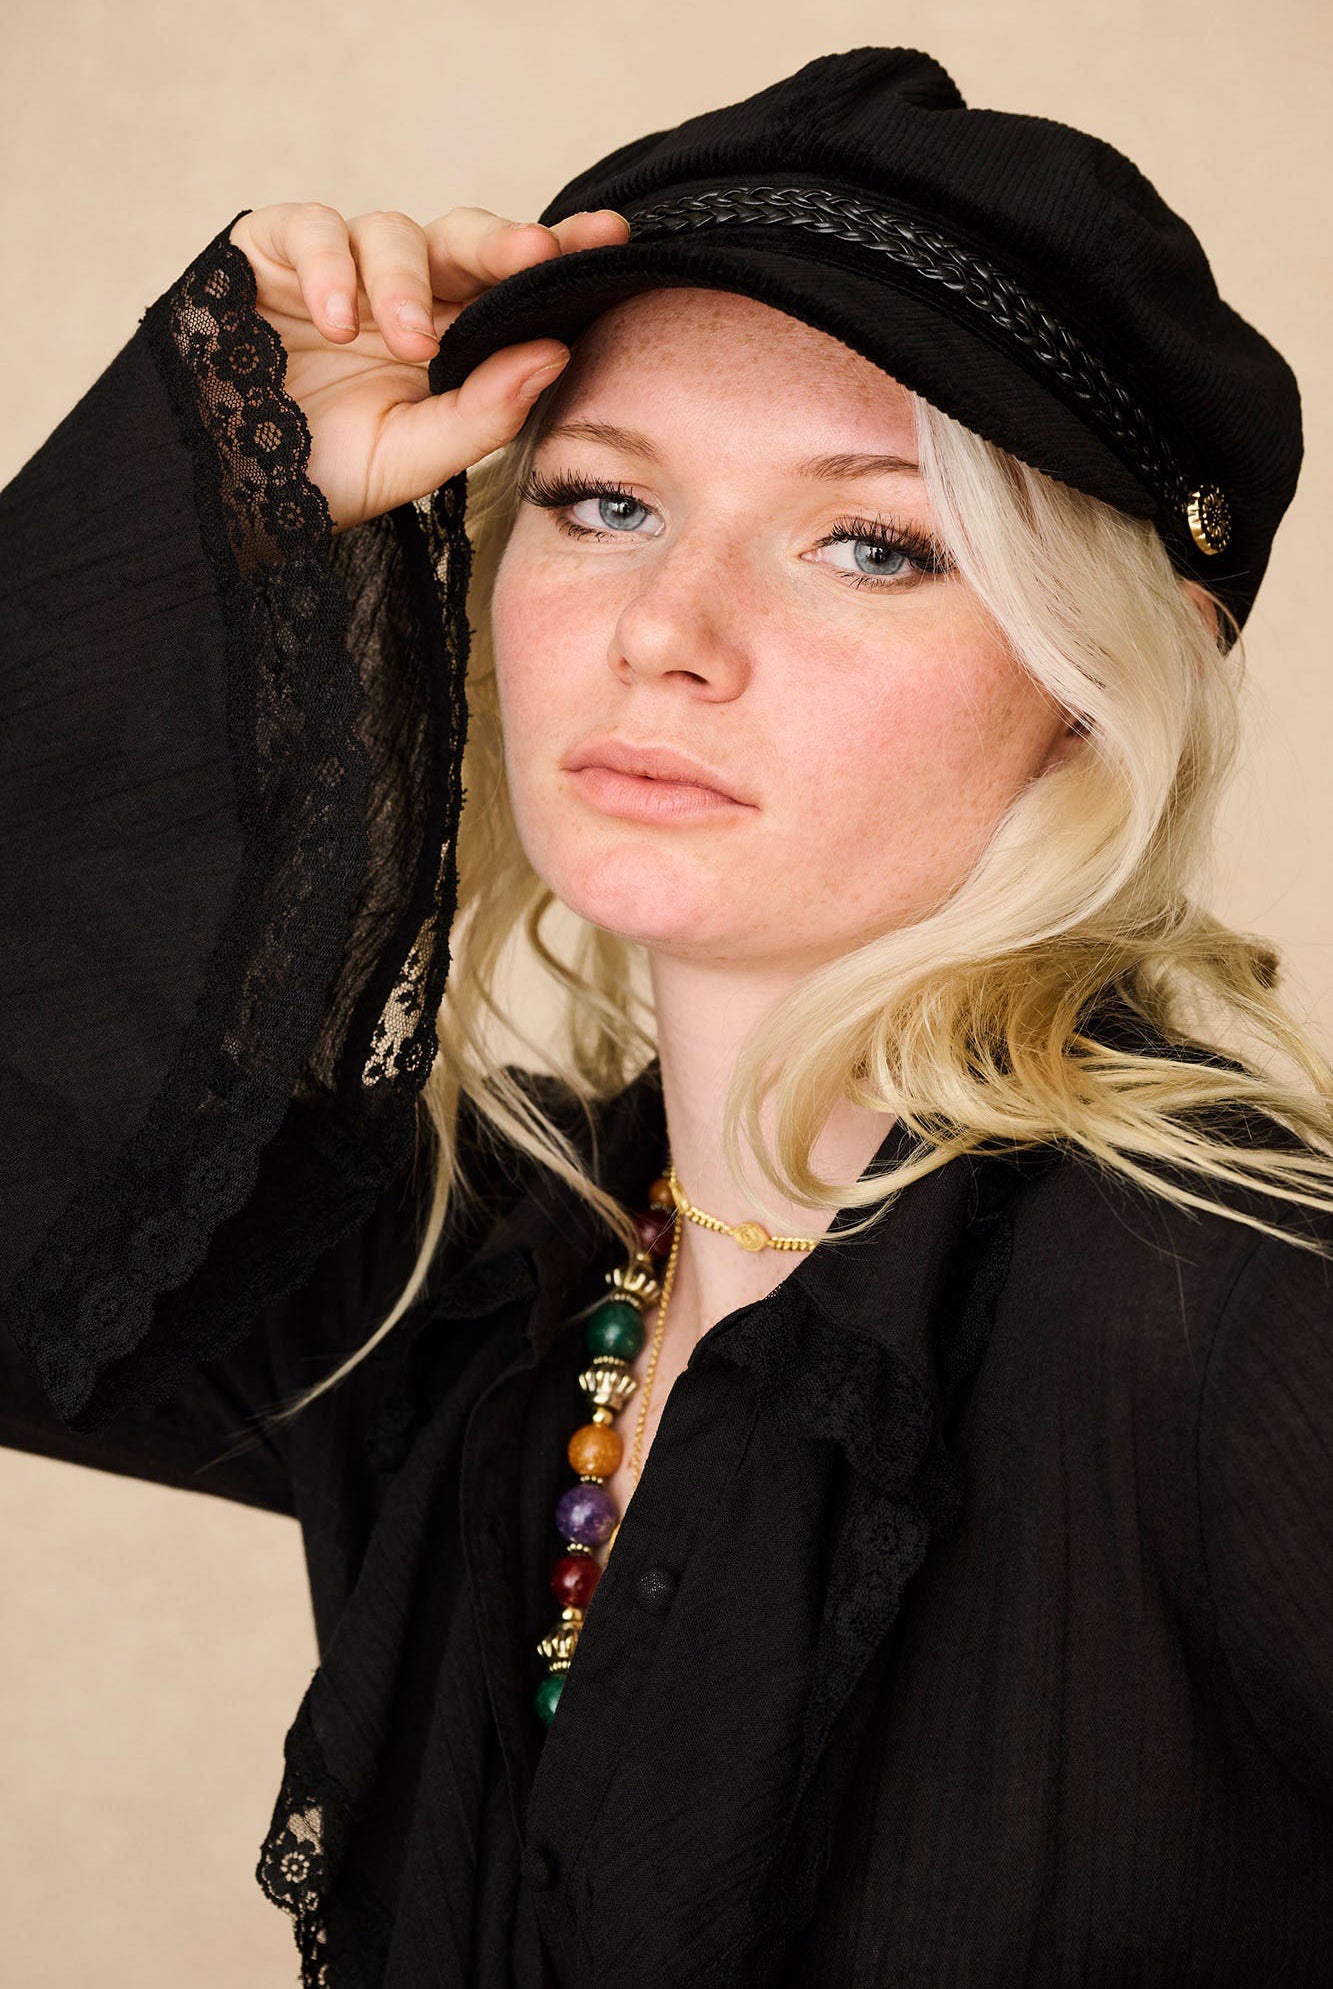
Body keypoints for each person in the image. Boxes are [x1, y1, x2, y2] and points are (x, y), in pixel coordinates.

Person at [3, 43, 1332, 1989]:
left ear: (1090, 680)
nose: (665, 632)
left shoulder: (1229, 1314)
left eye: (868, 542)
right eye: (606, 500)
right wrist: (215, 482)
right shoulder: (464, 1281)